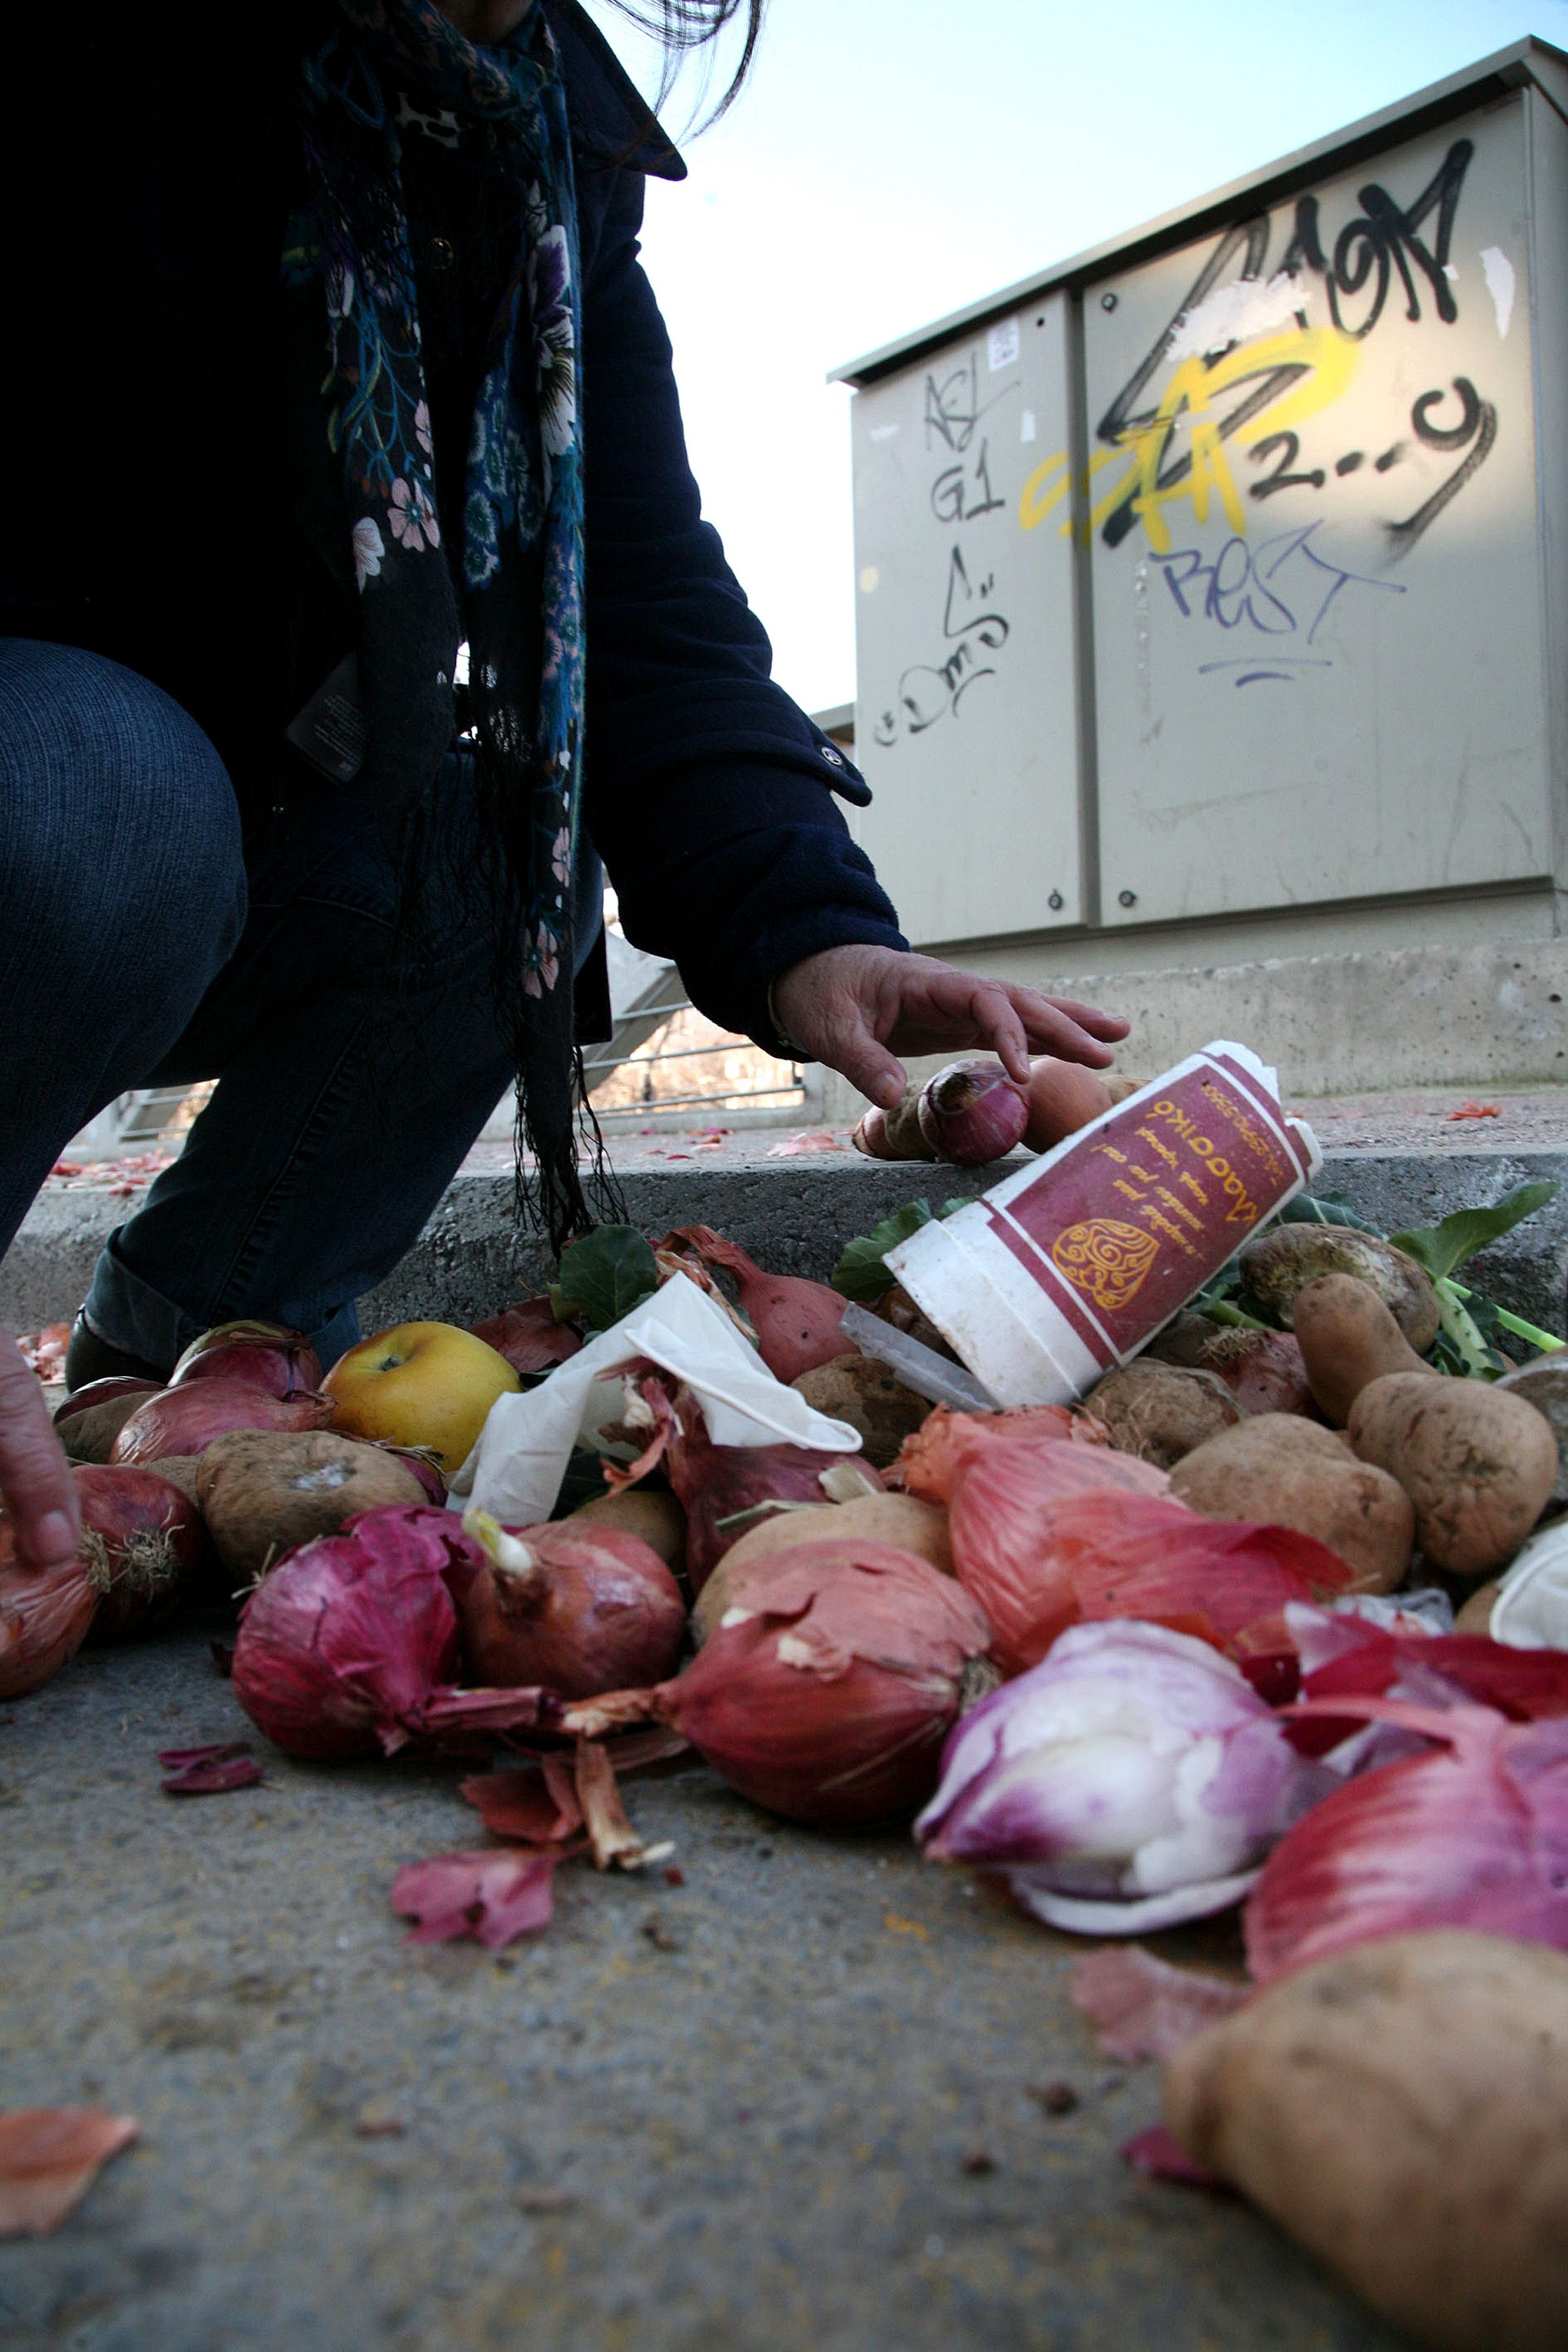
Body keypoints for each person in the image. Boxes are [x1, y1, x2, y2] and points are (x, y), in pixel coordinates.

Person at [0, 0, 1126, 1576]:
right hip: (61, 799)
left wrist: (804, 929)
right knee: (105, 785)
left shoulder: (538, 148)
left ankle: (191, 1363)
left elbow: (642, 586)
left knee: (497, 861)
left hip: (254, 848)